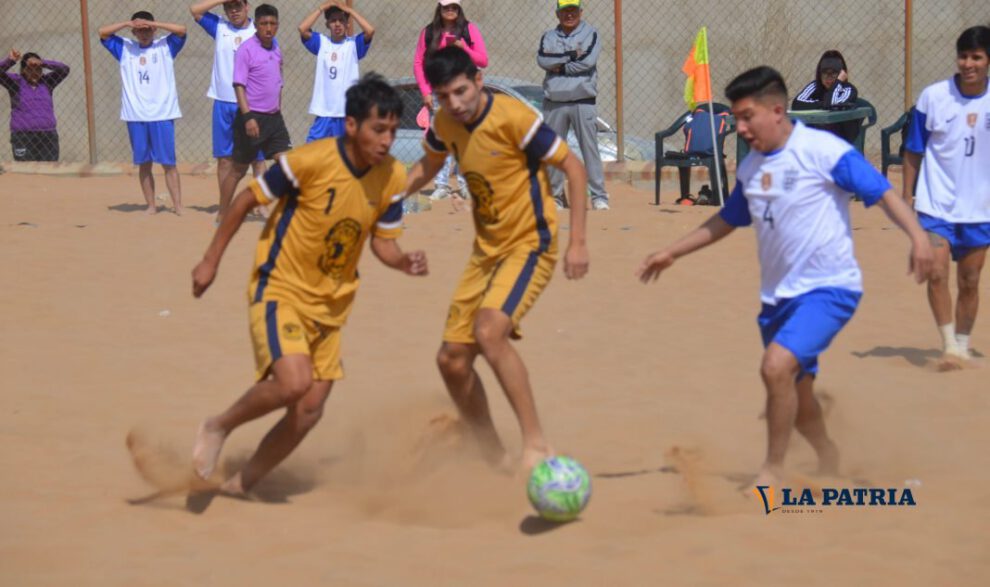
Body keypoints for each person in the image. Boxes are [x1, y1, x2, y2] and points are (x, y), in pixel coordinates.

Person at [637, 66, 933, 488]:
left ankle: (771, 471)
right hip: (777, 300)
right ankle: (827, 453)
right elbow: (727, 219)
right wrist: (671, 251)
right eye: (736, 119)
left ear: (777, 110)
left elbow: (883, 193)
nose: (738, 128)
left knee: (774, 368)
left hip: (830, 289)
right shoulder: (751, 168)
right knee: (798, 395)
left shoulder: (824, 151)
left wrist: (919, 238)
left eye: (746, 117)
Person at [190, 74, 428, 497]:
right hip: (280, 288)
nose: (387, 140)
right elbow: (247, 199)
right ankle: (218, 426)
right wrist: (210, 260)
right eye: (379, 129)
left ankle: (242, 484)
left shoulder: (392, 176)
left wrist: (403, 261)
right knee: (293, 383)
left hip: (332, 307)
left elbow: (384, 244)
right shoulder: (310, 162)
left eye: (393, 130)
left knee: (309, 409)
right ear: (352, 126)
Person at [404, 47, 589, 472]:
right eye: (445, 96)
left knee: (490, 333)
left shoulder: (513, 118)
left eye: (462, 91)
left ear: (479, 81)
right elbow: (429, 165)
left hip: (530, 244)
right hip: (484, 254)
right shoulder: (446, 121)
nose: (456, 103)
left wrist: (578, 242)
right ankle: (493, 455)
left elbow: (573, 168)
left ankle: (537, 445)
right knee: (450, 361)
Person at [903, 25, 990, 367]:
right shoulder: (933, 97)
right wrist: (907, 196)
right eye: (963, 56)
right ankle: (949, 345)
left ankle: (963, 344)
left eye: (977, 57)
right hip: (935, 204)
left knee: (970, 281)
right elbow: (913, 150)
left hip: (980, 208)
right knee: (936, 272)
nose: (968, 63)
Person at [99, 12, 186, 215]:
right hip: (136, 115)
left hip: (162, 114)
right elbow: (102, 33)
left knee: (168, 163)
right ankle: (151, 205)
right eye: (140, 30)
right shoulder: (125, 48)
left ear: (154, 29)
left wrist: (153, 22)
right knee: (144, 164)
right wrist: (127, 22)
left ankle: (178, 206)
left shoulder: (165, 46)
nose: (144, 33)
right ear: (134, 31)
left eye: (148, 29)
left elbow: (182, 30)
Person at [190, 0, 268, 219]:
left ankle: (261, 204)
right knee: (224, 159)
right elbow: (195, 11)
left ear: (246, 7)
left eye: (237, 6)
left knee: (258, 158)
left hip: (252, 104)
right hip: (224, 102)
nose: (233, 11)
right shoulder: (220, 27)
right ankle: (225, 207)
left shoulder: (258, 30)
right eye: (229, 7)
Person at [219, 3, 293, 224]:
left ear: (277, 25)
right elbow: (239, 85)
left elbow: (278, 79)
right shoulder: (246, 49)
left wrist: (278, 107)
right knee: (237, 170)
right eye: (263, 24)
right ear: (256, 25)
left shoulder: (276, 47)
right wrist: (248, 116)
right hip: (252, 118)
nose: (268, 28)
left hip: (274, 118)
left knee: (289, 165)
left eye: (272, 24)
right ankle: (223, 213)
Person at [537, 0, 609, 211]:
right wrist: (570, 56)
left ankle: (599, 197)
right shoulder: (548, 36)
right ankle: (556, 197)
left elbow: (587, 61)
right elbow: (542, 59)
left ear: (580, 11)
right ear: (557, 14)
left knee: (590, 150)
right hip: (554, 102)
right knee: (554, 151)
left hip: (582, 101)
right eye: (564, 10)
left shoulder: (591, 33)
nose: (569, 14)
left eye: (573, 10)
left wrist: (559, 66)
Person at [413, 0, 488, 202]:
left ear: (459, 8)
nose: (450, 10)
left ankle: (465, 183)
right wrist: (425, 91)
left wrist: (463, 47)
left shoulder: (468, 29)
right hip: (439, 92)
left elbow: (482, 60)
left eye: (454, 6)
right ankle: (442, 184)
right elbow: (419, 62)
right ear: (440, 7)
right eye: (446, 6)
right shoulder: (429, 32)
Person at [299, 1, 375, 143]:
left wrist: (349, 11)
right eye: (333, 21)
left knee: (345, 154)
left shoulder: (353, 45)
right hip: (324, 112)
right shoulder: (321, 42)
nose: (338, 24)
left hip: (346, 112)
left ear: (347, 24)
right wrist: (321, 8)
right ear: (327, 24)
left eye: (341, 20)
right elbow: (302, 29)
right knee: (311, 151)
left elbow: (370, 30)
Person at [0, 49, 70, 161]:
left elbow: (65, 69)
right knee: (25, 173)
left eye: (38, 69)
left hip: (48, 136)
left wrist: (43, 62)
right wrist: (10, 60)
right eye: (30, 69)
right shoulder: (15, 82)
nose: (34, 72)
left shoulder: (47, 82)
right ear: (23, 70)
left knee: (49, 172)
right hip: (23, 136)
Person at [791, 50, 861, 144]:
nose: (829, 78)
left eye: (834, 73)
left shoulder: (848, 90)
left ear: (842, 74)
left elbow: (831, 104)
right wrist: (822, 104)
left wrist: (838, 83)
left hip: (840, 139)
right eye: (825, 73)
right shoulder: (815, 86)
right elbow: (796, 104)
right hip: (815, 138)